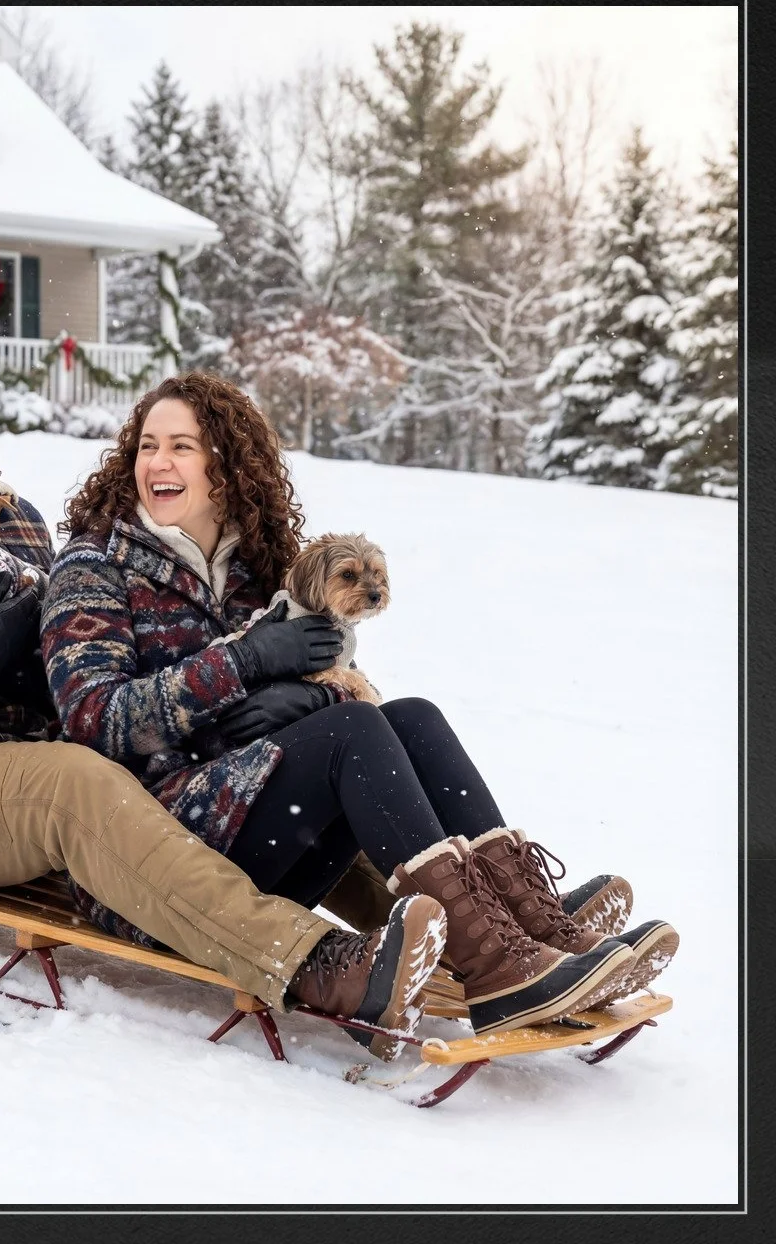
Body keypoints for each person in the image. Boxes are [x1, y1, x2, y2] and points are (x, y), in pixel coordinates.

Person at [0, 318, 449, 1060]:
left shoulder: (11, 517)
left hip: (19, 769)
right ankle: (316, 966)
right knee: (77, 782)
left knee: (279, 755)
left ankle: (455, 935)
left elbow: (80, 679)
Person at [39, 371, 679, 1035]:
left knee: (410, 718)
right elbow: (93, 720)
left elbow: (333, 685)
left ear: (226, 466)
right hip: (152, 860)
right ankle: (497, 966)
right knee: (352, 729)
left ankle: (534, 928)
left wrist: (297, 699)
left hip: (257, 834)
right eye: (148, 445)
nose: (159, 462)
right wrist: (246, 664)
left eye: (183, 446)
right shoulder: (94, 566)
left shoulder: (262, 568)